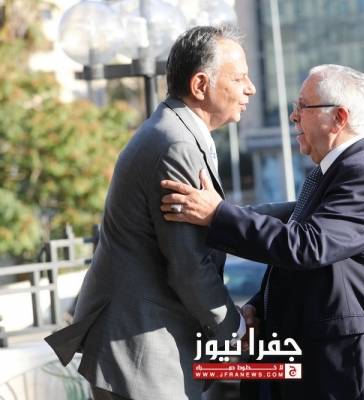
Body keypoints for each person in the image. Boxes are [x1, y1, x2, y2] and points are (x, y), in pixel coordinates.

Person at [159, 64, 364, 400]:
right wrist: (257, 309)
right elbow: (302, 265)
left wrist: (217, 215)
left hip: (356, 369)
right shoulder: (335, 173)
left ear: (339, 118)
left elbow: (306, 246)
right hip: (327, 367)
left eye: (302, 106)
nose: (293, 117)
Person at [44, 25, 256, 400]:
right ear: (200, 85)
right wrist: (235, 327)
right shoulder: (176, 144)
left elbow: (213, 216)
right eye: (239, 78)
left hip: (139, 344)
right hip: (140, 352)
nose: (250, 89)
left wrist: (298, 212)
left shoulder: (175, 130)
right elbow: (188, 264)